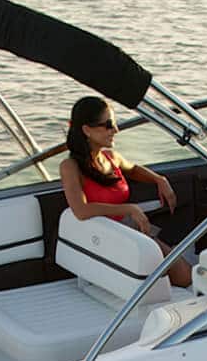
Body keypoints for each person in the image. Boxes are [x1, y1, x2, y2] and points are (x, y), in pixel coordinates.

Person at [58, 95, 192, 287]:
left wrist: (159, 179)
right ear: (87, 130)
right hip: (106, 240)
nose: (116, 130)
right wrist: (128, 209)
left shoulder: (111, 158)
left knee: (183, 273)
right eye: (108, 124)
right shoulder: (70, 167)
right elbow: (80, 210)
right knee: (184, 275)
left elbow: (133, 169)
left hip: (129, 233)